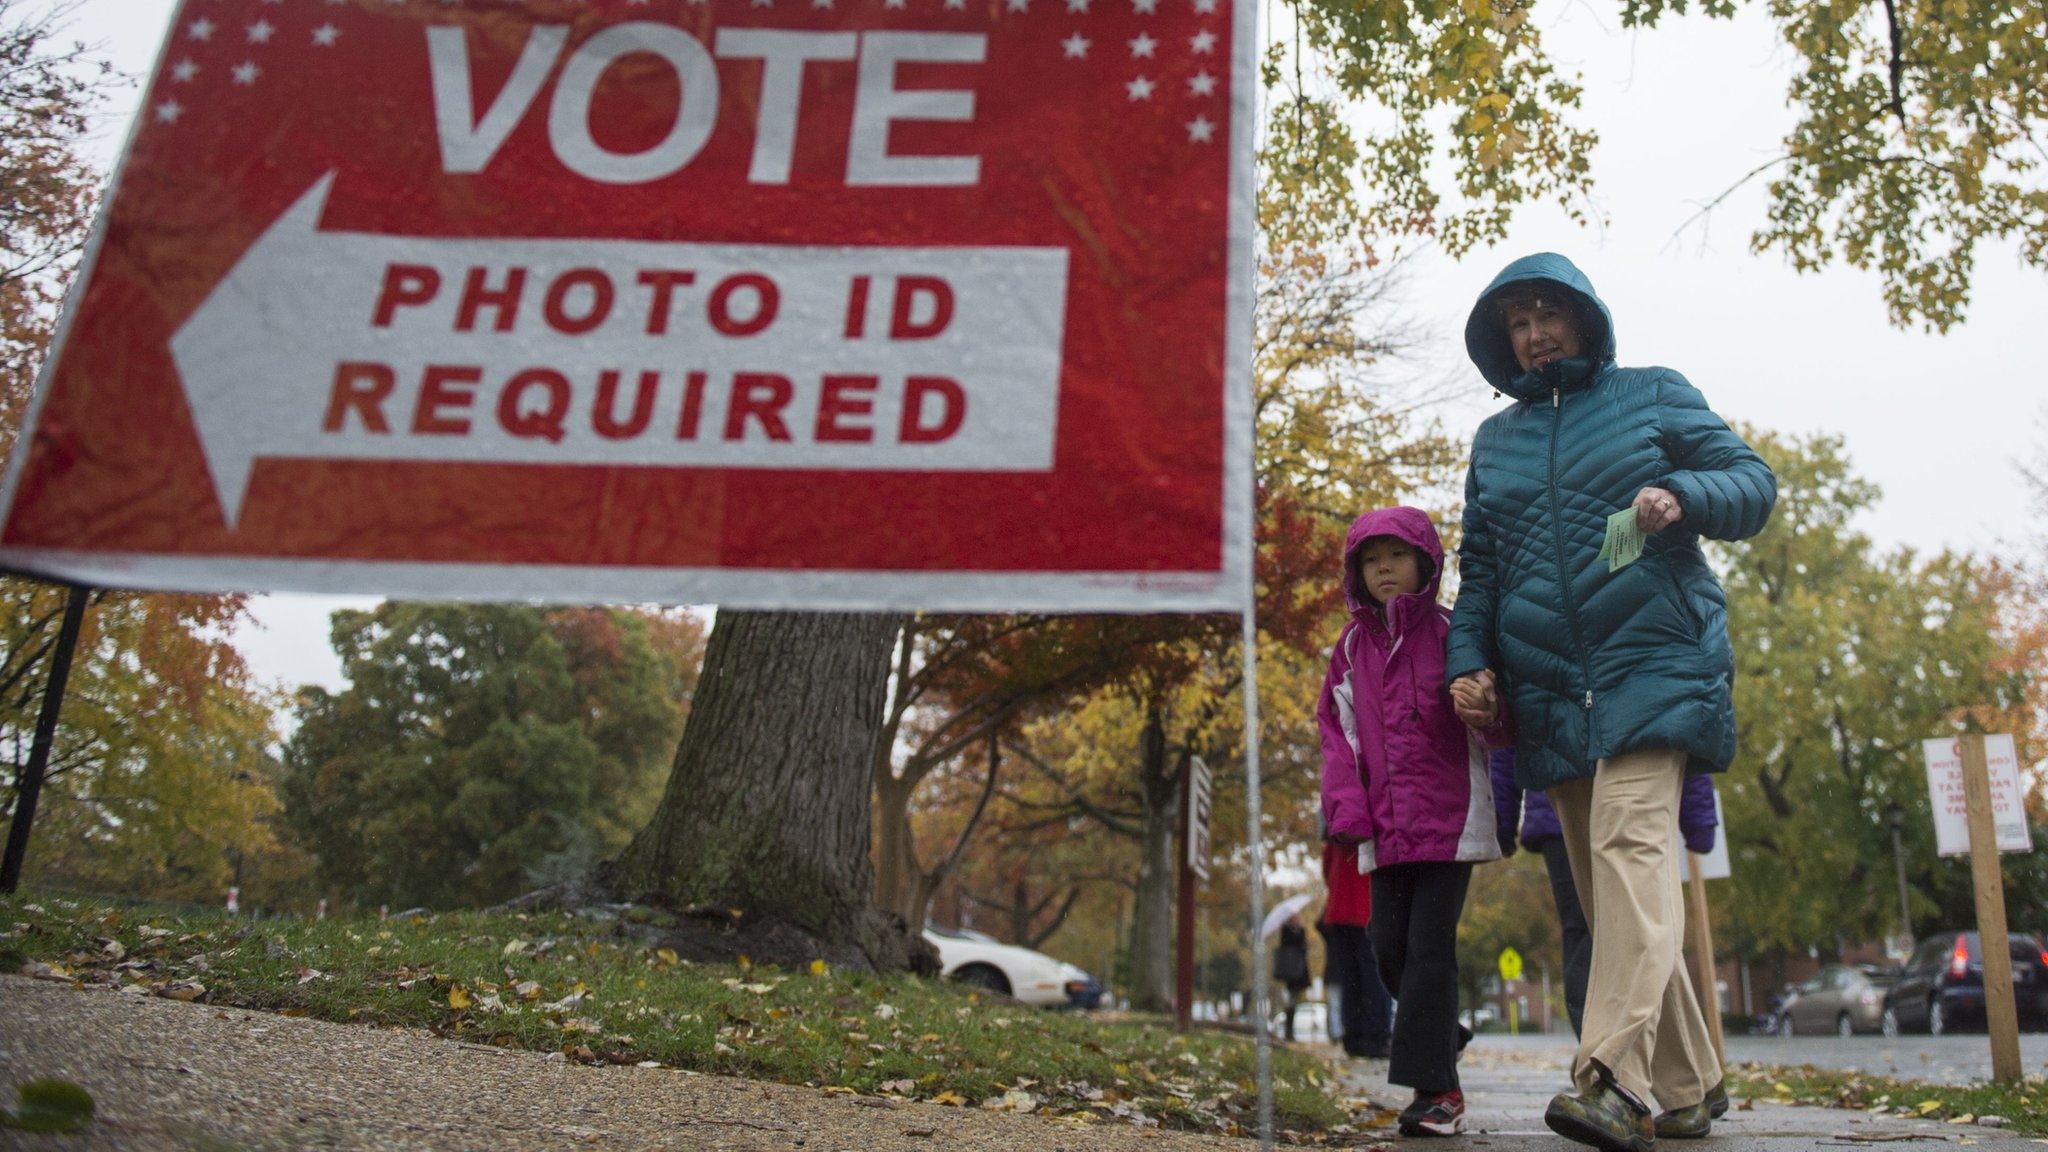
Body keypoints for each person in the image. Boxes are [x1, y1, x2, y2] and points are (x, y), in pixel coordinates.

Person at [1446, 253, 1775, 1151]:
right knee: (1609, 893)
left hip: (1656, 663)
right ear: (1502, 339)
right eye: (1518, 321)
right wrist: (1466, 662)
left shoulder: (1654, 394)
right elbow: (1482, 573)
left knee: (1632, 852)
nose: (1536, 331)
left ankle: (1611, 1081)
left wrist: (1686, 494)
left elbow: (1755, 485)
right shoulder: (1495, 441)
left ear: (1586, 318)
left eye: (1550, 312)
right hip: (1551, 686)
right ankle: (1693, 1084)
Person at [1318, 504, 1512, 1138]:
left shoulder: (1458, 634)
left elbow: (1501, 719)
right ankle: (1442, 1031)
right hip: (1384, 826)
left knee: (1430, 951)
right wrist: (1346, 811)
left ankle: (1439, 1094)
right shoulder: (1349, 649)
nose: (1384, 570)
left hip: (1452, 821)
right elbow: (1336, 735)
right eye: (1371, 561)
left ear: (1425, 563)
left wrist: (1487, 712)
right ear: (1357, 574)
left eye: (1396, 557)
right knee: (1386, 949)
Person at [1491, 749, 1722, 1037]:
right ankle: (1600, 1049)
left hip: (1622, 808)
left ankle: (1615, 1047)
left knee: (1621, 930)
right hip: (1572, 810)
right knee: (1599, 931)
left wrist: (1502, 820)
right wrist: (1501, 817)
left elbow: (1676, 724)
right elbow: (1506, 729)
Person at [1317, 837, 1394, 1059]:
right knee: (1374, 976)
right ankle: (1376, 1036)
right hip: (1366, 909)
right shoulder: (1373, 827)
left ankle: (1353, 1036)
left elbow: (1327, 865)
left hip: (1339, 911)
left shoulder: (1338, 830)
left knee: (1349, 977)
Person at [1272, 914, 1312, 1040]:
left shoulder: (1301, 931)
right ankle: (1288, 1028)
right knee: (1291, 1000)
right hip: (1291, 971)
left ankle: (1290, 1027)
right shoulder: (1286, 931)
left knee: (1295, 1000)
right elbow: (1287, 946)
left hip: (1299, 971)